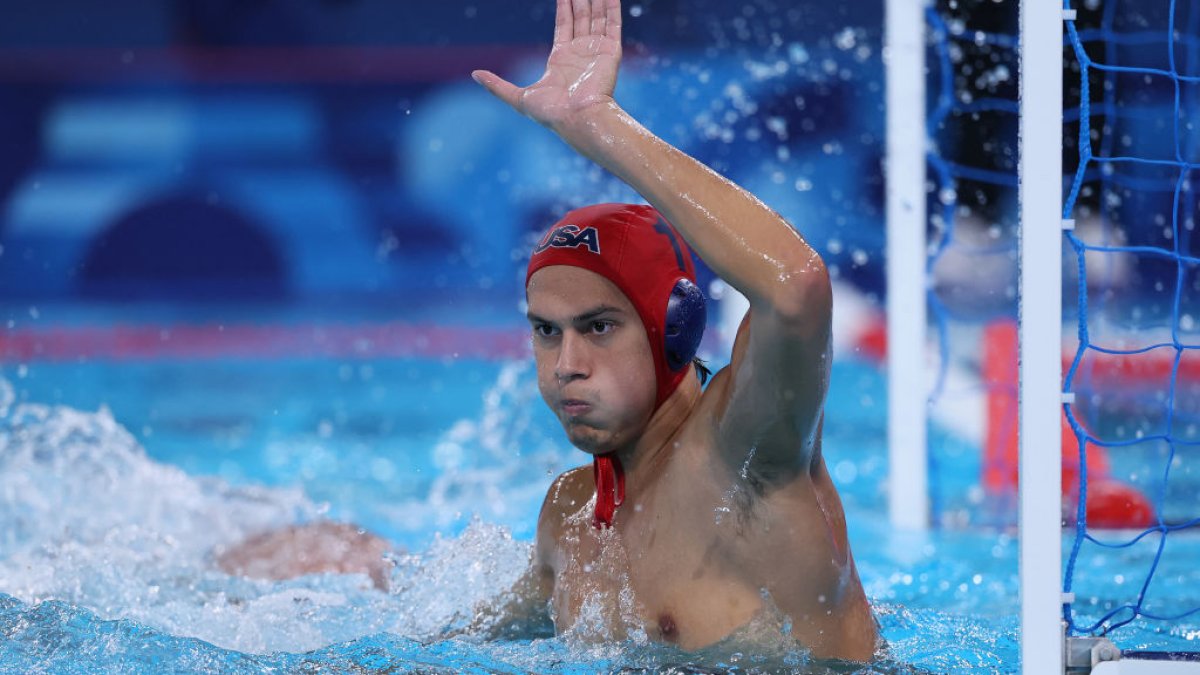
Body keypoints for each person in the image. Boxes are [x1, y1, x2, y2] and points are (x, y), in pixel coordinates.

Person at [467, 0, 878, 662]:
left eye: (598, 327)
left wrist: (597, 126)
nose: (566, 363)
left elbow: (796, 288)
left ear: (675, 328)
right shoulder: (570, 513)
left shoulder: (742, 460)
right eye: (546, 331)